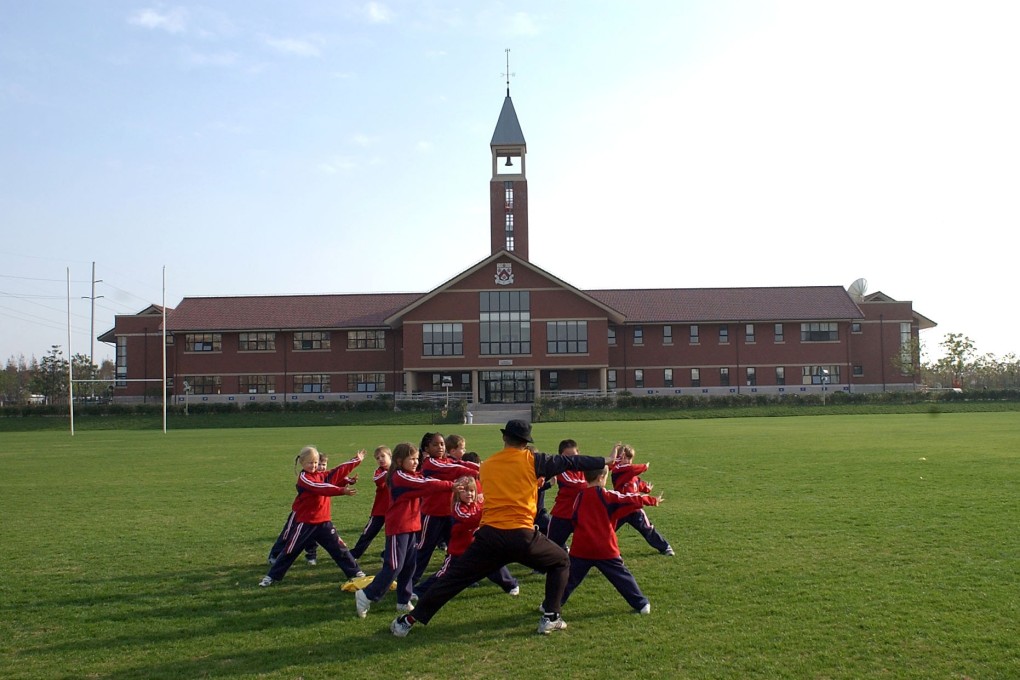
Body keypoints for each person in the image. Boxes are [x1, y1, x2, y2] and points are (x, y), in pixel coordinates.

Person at [390, 419, 609, 637]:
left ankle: (407, 621)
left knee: (452, 580)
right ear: (526, 442)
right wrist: (605, 460)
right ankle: (551, 617)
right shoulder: (534, 460)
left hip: (489, 536)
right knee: (561, 561)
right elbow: (572, 462)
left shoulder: (488, 465)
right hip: (522, 536)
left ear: (504, 437)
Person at [355, 442, 457, 618]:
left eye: (417, 459)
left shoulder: (410, 474)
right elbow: (426, 484)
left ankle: (403, 600)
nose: (416, 462)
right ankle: (366, 594)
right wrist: (451, 485)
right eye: (412, 459)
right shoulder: (400, 476)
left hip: (411, 526)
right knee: (394, 566)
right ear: (399, 460)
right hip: (398, 528)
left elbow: (426, 480)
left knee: (409, 565)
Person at [558, 465, 661, 614]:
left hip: (581, 547)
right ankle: (641, 604)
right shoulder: (607, 495)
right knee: (622, 577)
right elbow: (628, 498)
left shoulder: (579, 496)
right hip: (605, 548)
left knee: (569, 580)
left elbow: (574, 518)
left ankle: (550, 604)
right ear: (601, 478)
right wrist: (650, 500)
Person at [259, 446, 365, 587]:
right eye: (310, 462)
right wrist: (341, 491)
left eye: (316, 462)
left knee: (339, 548)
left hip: (323, 522)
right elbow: (320, 488)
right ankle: (271, 576)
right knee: (290, 551)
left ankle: (355, 572)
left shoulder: (322, 475)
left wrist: (356, 460)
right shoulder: (304, 479)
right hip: (305, 523)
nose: (314, 465)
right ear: (302, 463)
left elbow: (337, 471)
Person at [415, 475, 519, 597]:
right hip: (459, 551)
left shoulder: (477, 506)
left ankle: (511, 585)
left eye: (471, 490)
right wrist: (485, 513)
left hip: (477, 547)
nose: (468, 494)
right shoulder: (457, 508)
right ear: (457, 493)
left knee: (493, 564)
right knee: (445, 574)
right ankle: (419, 591)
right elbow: (469, 519)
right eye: (464, 490)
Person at [412, 432, 479, 585]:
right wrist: (480, 472)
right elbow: (455, 469)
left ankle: (462, 576)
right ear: (426, 448)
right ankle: (410, 581)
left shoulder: (446, 460)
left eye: (442, 444)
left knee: (458, 547)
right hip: (432, 514)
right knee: (424, 550)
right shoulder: (430, 463)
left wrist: (484, 467)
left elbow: (461, 464)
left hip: (450, 514)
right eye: (435, 444)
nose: (440, 447)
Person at [267, 454, 332, 566]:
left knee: (312, 535)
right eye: (318, 464)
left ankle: (311, 556)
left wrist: (347, 481)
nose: (321, 467)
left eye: (323, 464)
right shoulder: (306, 477)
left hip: (313, 513)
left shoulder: (323, 476)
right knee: (288, 534)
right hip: (299, 512)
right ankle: (275, 555)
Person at [610, 444, 674, 556]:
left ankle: (665, 547)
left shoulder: (632, 476)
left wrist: (647, 488)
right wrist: (644, 467)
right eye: (623, 458)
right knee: (607, 531)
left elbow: (638, 483)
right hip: (620, 509)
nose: (627, 461)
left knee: (648, 529)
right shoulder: (617, 471)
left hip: (635, 510)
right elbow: (632, 469)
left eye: (629, 458)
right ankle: (592, 551)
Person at [349, 446, 392, 561]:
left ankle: (387, 554)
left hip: (394, 510)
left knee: (392, 535)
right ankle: (355, 554)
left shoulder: (400, 470)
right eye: (377, 458)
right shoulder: (379, 471)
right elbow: (378, 481)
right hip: (379, 509)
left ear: (390, 456)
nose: (380, 460)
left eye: (383, 456)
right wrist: (390, 471)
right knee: (368, 533)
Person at [546, 439, 590, 549]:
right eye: (567, 457)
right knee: (552, 546)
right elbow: (575, 485)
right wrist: (593, 483)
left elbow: (601, 469)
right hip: (563, 514)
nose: (572, 460)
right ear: (560, 456)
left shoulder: (584, 468)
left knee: (590, 544)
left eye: (574, 456)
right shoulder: (561, 469)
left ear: (578, 453)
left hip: (581, 515)